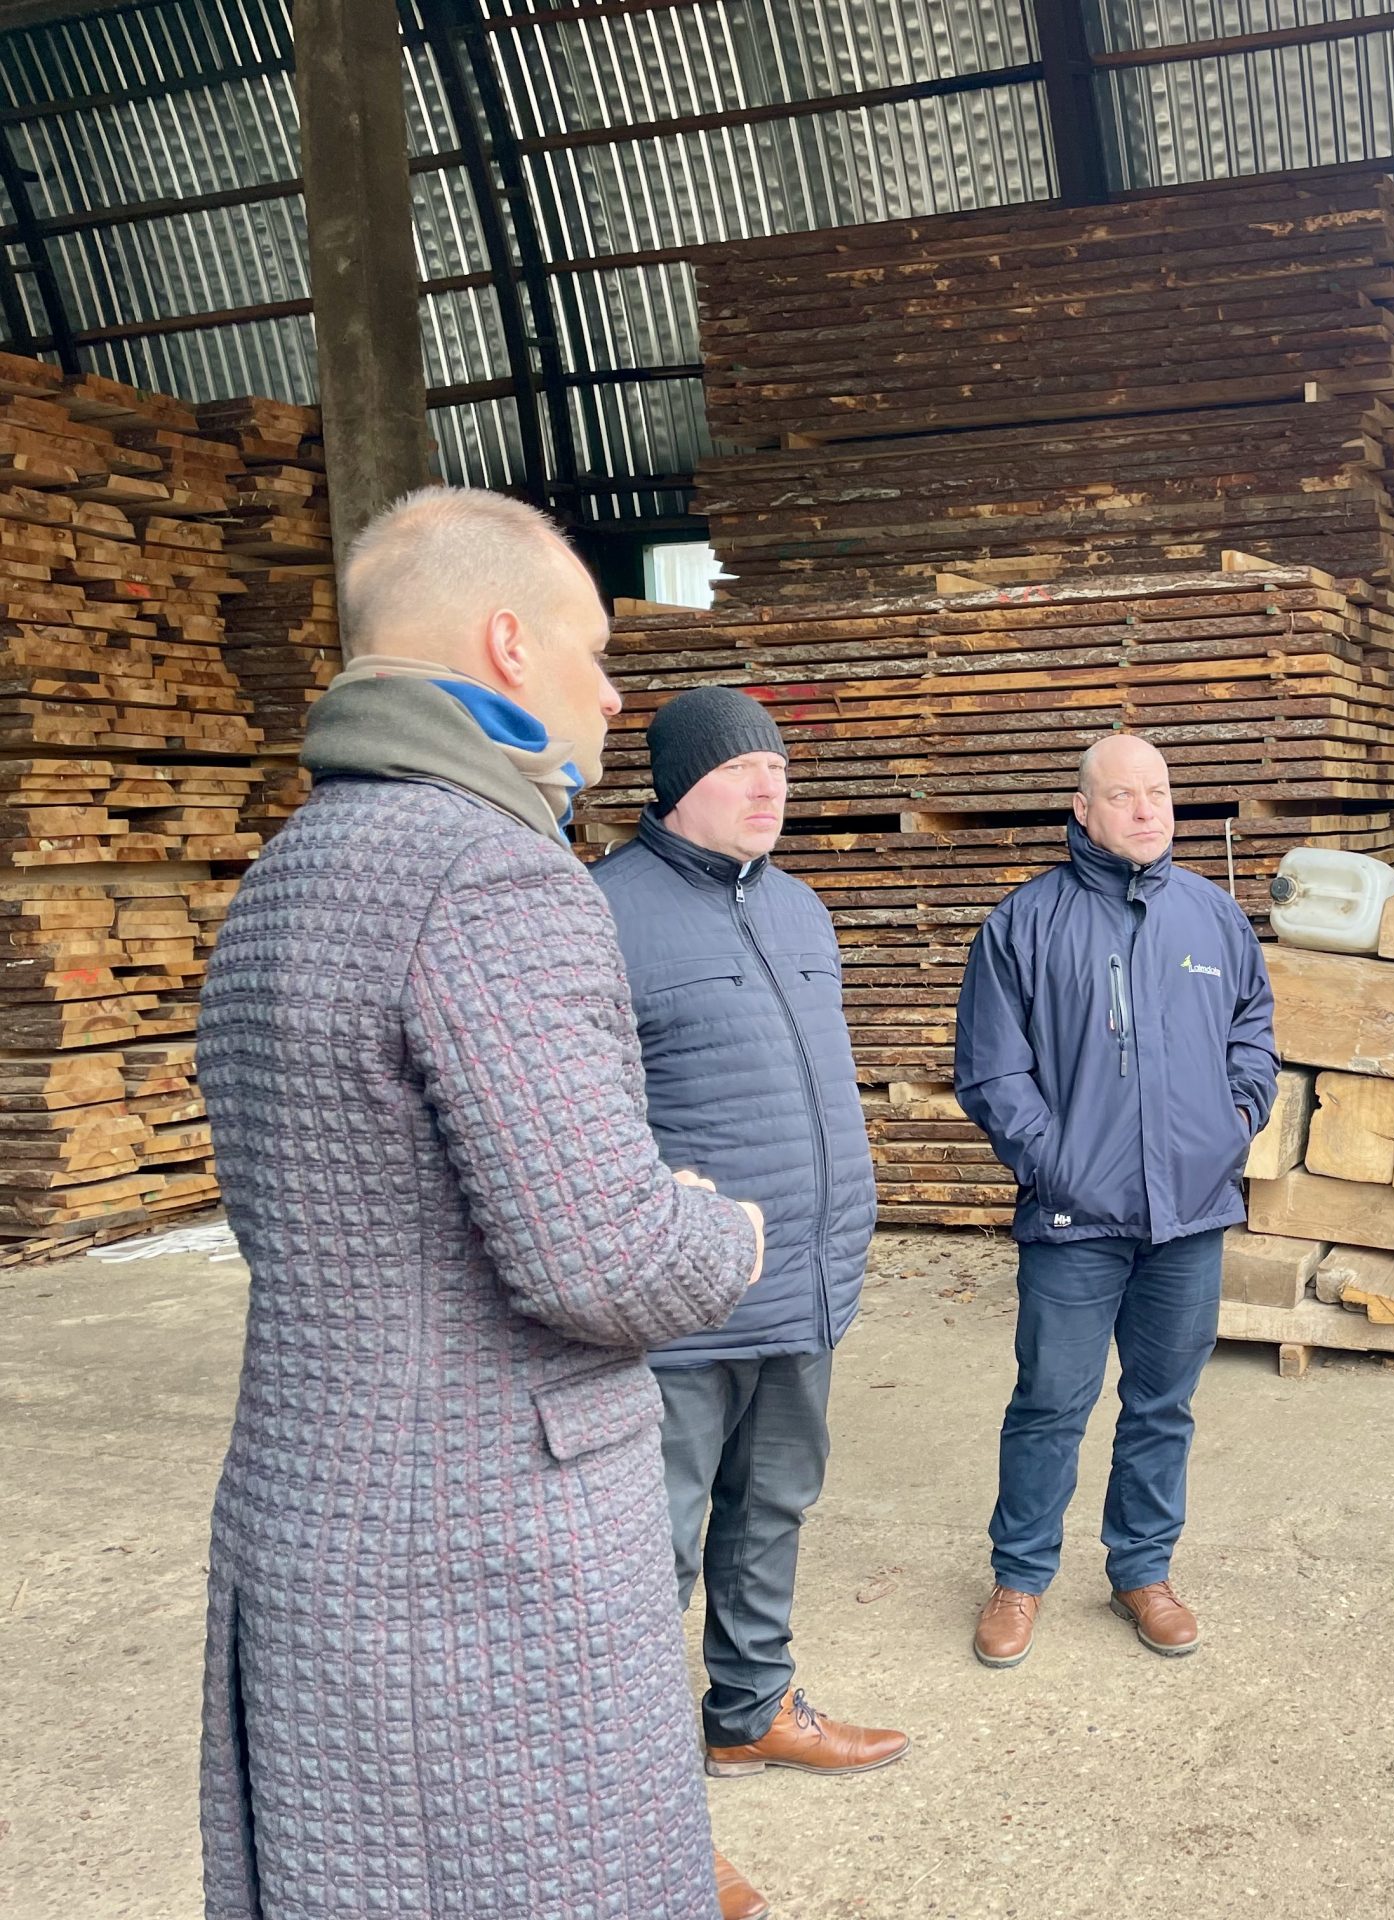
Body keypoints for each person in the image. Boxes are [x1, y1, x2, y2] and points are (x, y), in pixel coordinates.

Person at [197, 488, 775, 1920]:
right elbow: (607, 1262)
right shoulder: (491, 875)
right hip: (479, 1572)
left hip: (315, 1520)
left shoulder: (288, 871)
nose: (613, 692)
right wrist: (721, 1225)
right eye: (596, 651)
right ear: (509, 644)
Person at [592, 687, 908, 1818]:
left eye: (778, 767)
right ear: (679, 783)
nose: (769, 786)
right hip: (683, 1302)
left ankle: (750, 1712)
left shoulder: (798, 907)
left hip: (803, 1284)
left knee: (772, 1510)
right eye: (740, 768)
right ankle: (619, 1787)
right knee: (654, 1549)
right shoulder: (603, 912)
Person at [952, 732, 1278, 1668]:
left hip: (1190, 1214)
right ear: (1083, 809)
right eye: (1124, 795)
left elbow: (1254, 1031)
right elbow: (992, 1068)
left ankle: (1143, 1570)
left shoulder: (1213, 918)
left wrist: (1233, 1121)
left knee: (1163, 1404)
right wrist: (1054, 1163)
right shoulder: (1024, 924)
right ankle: (1020, 1577)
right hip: (1073, 1219)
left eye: (1159, 793)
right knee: (1051, 1401)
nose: (1146, 810)